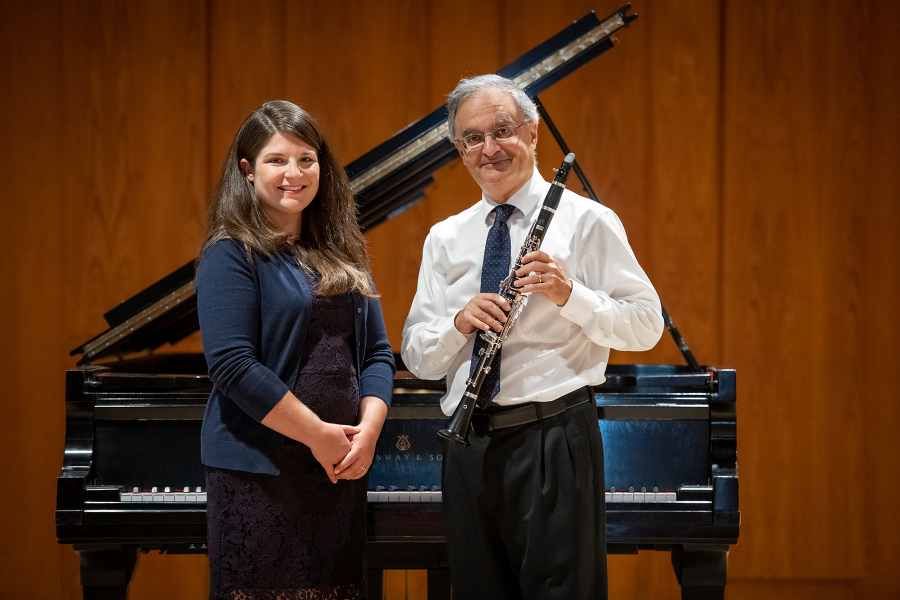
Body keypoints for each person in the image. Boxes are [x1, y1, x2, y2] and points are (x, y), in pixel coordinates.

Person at [401, 75, 664, 599]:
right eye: (472, 139)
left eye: (502, 130)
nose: (489, 148)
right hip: (468, 443)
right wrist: (458, 322)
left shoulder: (589, 221)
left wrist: (571, 294)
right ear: (460, 150)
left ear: (534, 133)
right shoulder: (445, 237)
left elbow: (646, 324)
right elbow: (418, 356)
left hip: (554, 441)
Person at [195, 100, 395, 600]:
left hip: (338, 469)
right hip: (261, 470)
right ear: (247, 170)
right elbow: (233, 367)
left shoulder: (342, 254)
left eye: (306, 159)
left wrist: (367, 432)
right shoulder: (231, 252)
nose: (294, 173)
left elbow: (376, 355)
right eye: (277, 160)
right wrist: (318, 436)